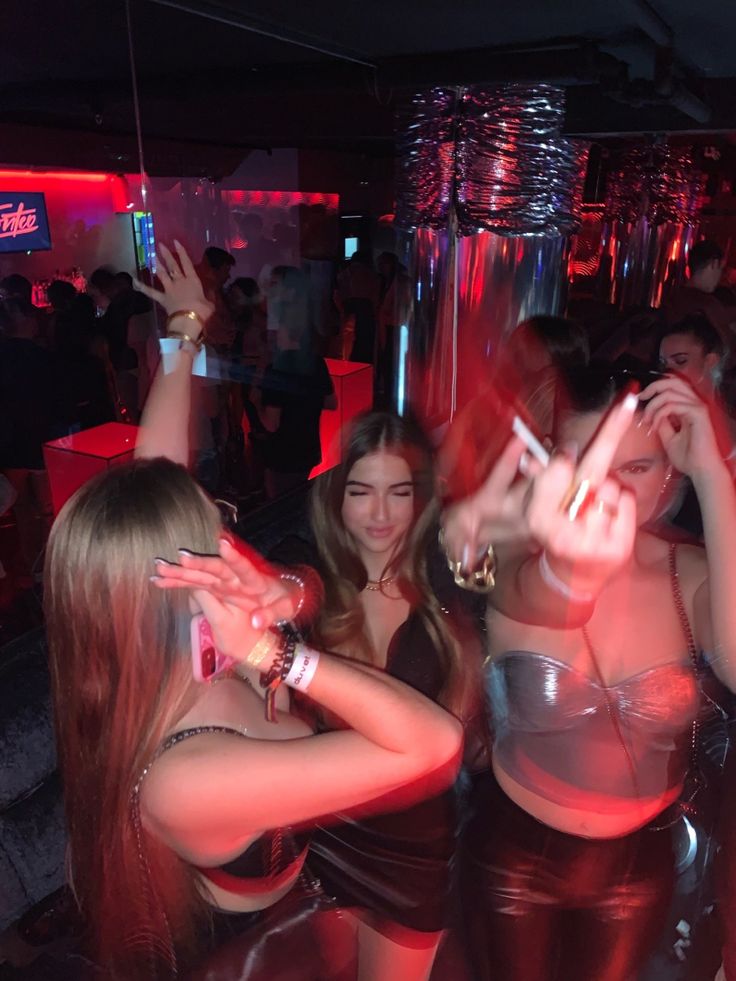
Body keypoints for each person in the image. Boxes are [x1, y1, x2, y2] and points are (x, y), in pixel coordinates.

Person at [449, 365, 736, 981]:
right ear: (551, 463)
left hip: (640, 862)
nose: (610, 491)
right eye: (589, 466)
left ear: (670, 474)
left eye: (639, 467)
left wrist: (715, 473)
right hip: (512, 853)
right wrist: (569, 574)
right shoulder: (512, 554)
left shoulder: (691, 571)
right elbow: (534, 594)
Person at [662, 240, 734, 342]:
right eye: (721, 269)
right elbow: (727, 348)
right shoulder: (708, 305)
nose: (720, 277)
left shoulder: (673, 299)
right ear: (714, 263)